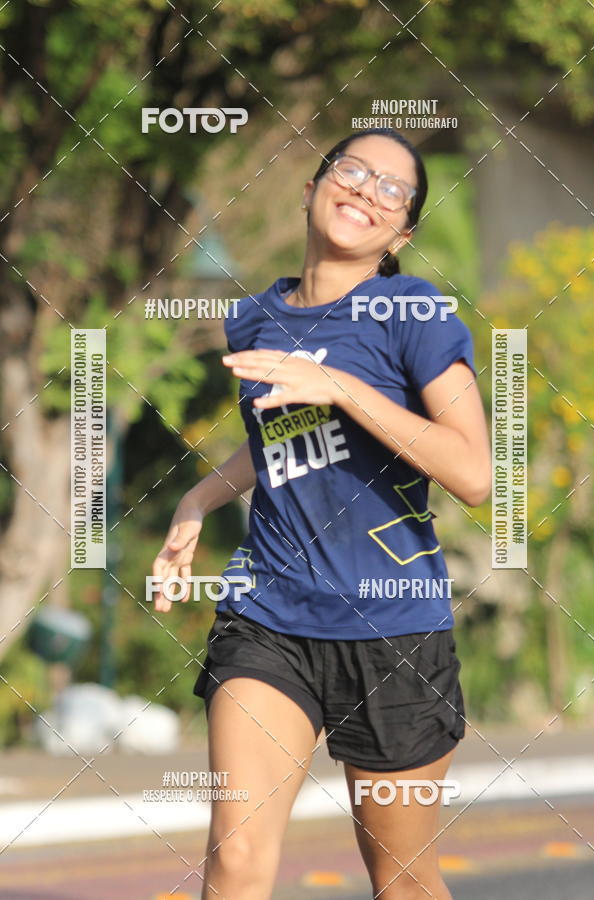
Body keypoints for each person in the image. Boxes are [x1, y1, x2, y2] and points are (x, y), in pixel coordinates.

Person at [151, 127, 491, 900]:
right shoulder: (255, 319)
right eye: (353, 170)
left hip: (395, 633)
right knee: (235, 859)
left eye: (392, 189)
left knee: (402, 879)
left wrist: (342, 387)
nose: (367, 189)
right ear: (312, 189)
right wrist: (199, 499)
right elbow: (280, 435)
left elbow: (472, 471)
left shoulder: (415, 313)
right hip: (269, 618)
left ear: (401, 233)